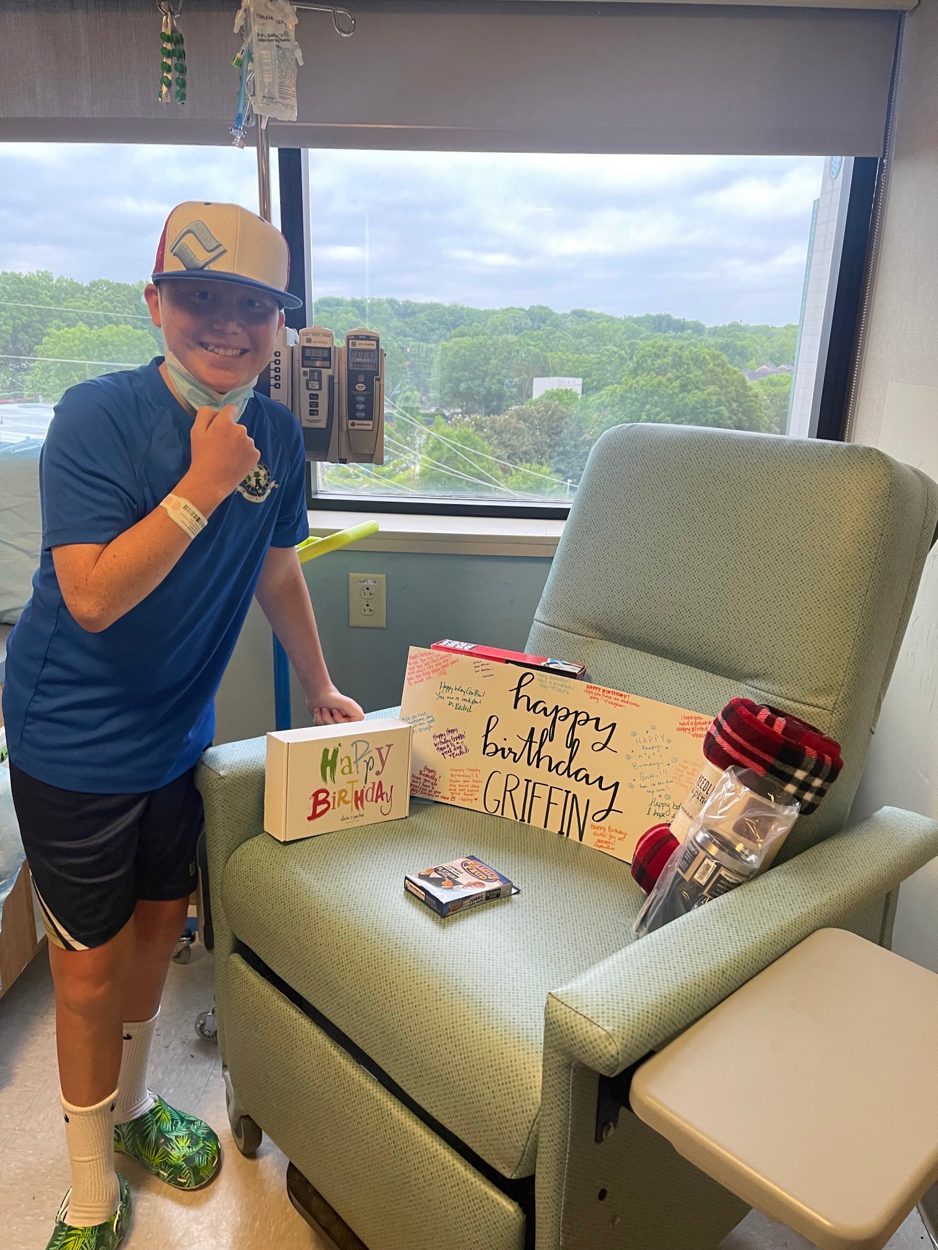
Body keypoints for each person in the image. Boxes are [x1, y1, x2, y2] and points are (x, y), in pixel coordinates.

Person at [2, 201, 364, 1250]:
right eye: (200, 297)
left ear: (279, 324)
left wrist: (323, 681)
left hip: (177, 732)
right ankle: (83, 1187)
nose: (226, 324)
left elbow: (277, 566)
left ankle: (129, 1114)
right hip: (70, 736)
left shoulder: (279, 434)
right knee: (84, 967)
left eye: (252, 305)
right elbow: (95, 598)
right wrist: (202, 486)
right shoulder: (96, 415)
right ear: (155, 302)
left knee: (164, 928)